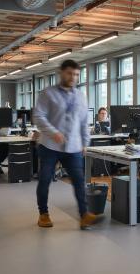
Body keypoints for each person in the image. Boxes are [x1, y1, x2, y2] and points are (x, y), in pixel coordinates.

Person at [32, 59, 103, 229]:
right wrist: (53, 132)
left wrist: (85, 142)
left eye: (76, 74)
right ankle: (43, 214)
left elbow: (84, 121)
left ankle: (84, 215)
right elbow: (39, 116)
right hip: (49, 145)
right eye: (70, 73)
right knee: (45, 180)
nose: (73, 77)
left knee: (79, 181)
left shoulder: (80, 95)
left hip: (73, 146)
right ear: (61, 73)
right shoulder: (48, 93)